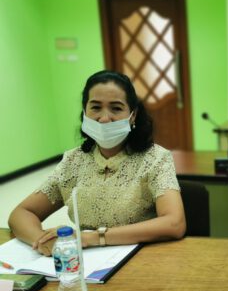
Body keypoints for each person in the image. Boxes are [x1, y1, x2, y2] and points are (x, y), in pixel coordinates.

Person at [9, 70, 186, 255]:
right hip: (85, 263)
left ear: (132, 115)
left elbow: (174, 223)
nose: (104, 118)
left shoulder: (156, 158)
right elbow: (21, 213)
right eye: (95, 107)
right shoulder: (73, 161)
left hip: (142, 258)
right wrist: (43, 241)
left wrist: (91, 238)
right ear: (85, 112)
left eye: (116, 108)